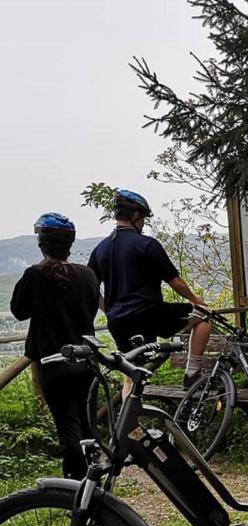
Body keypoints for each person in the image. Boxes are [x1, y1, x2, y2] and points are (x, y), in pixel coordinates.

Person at [87, 189, 212, 388]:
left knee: (132, 373)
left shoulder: (100, 249)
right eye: (143, 218)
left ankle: (130, 420)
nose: (143, 223)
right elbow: (175, 281)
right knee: (205, 315)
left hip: (118, 322)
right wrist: (196, 300)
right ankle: (193, 373)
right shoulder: (146, 244)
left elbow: (90, 290)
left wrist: (108, 309)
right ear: (136, 215)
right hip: (150, 316)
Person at [11, 213, 100, 479]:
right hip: (86, 361)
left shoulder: (34, 276)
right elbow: (92, 308)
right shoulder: (88, 275)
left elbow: (18, 311)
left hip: (53, 364)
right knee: (88, 426)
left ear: (42, 243)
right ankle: (94, 479)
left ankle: (74, 483)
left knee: (67, 428)